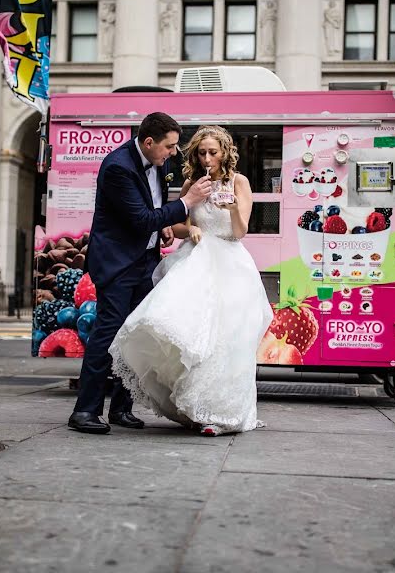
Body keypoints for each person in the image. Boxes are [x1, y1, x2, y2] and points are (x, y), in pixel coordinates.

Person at [109, 125, 273, 436]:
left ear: (225, 152)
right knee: (197, 335)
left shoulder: (239, 182)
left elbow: (240, 232)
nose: (208, 157)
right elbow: (178, 224)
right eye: (202, 152)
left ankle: (226, 413)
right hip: (195, 261)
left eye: (213, 151)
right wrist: (192, 230)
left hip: (230, 263)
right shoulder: (191, 182)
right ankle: (197, 408)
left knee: (230, 339)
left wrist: (234, 207)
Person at [69, 113, 213, 434]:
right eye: (169, 147)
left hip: (144, 260)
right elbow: (140, 219)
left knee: (135, 335)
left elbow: (152, 209)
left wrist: (163, 225)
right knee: (107, 335)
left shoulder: (156, 161)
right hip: (118, 265)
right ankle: (85, 411)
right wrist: (186, 202)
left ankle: (122, 409)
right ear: (149, 143)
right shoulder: (118, 167)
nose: (174, 153)